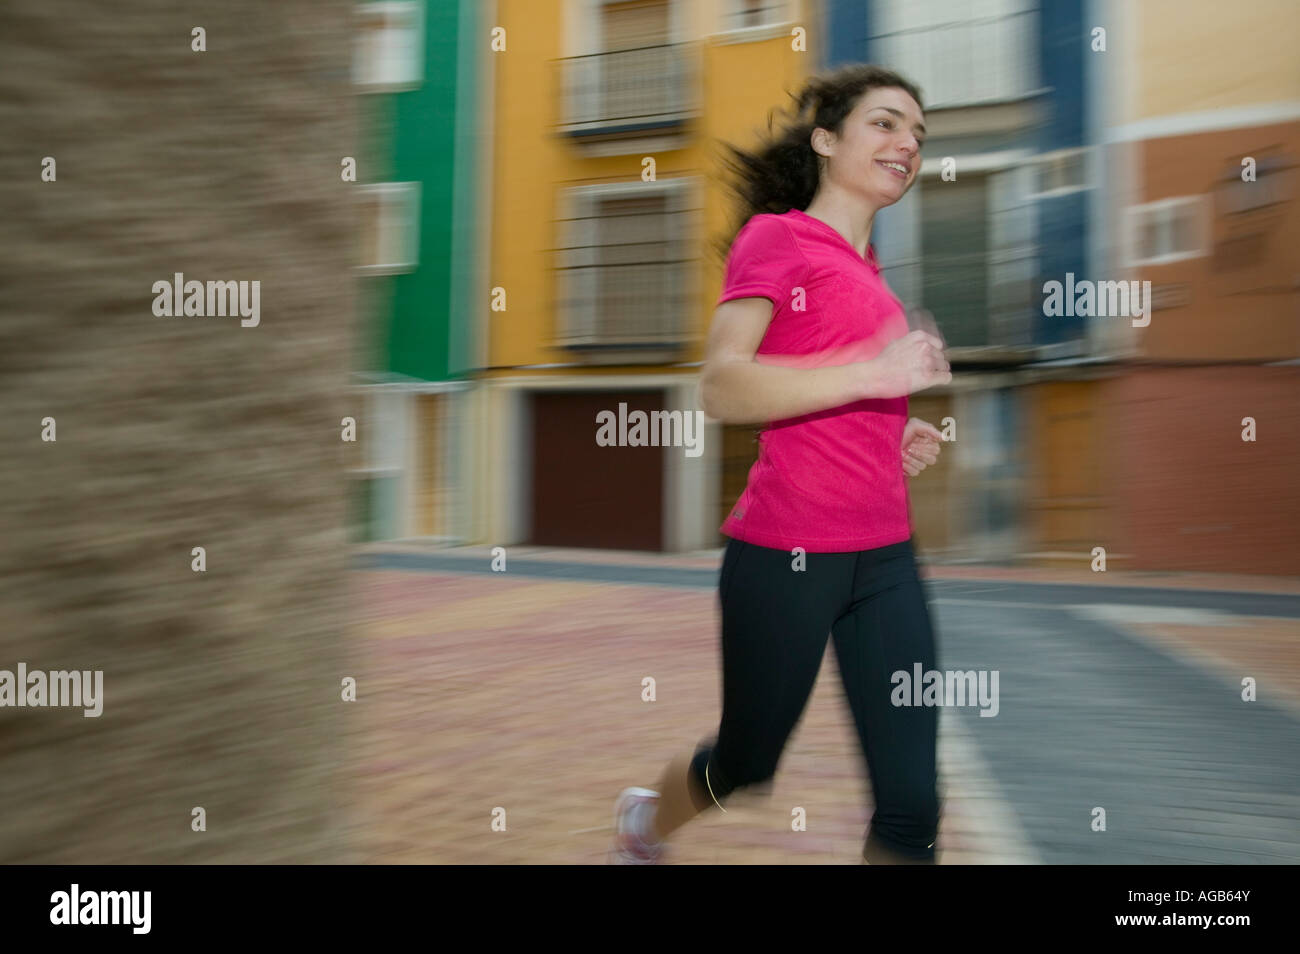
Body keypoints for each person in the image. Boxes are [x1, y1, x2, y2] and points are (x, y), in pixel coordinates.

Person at [608, 64, 950, 865]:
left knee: (913, 804)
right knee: (747, 763)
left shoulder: (872, 277)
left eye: (919, 136)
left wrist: (886, 433)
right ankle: (645, 825)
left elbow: (820, 389)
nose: (908, 144)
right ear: (827, 140)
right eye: (887, 123)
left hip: (887, 557)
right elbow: (723, 385)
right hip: (785, 554)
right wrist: (875, 376)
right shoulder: (780, 237)